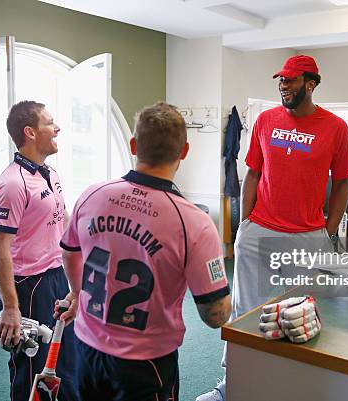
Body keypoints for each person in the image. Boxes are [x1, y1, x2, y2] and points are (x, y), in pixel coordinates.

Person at [197, 55, 348, 401]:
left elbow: (342, 183)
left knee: (303, 314)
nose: (283, 85)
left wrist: (327, 231)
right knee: (245, 313)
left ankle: (293, 386)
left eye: (291, 80)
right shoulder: (266, 121)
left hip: (308, 237)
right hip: (259, 234)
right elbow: (253, 173)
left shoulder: (336, 127)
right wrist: (245, 225)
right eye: (281, 80)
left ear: (310, 84)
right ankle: (232, 384)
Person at [57, 101, 232, 401]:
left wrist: (77, 294)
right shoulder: (195, 223)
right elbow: (215, 315)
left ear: (134, 145)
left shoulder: (91, 196)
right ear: (184, 152)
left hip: (86, 347)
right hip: (146, 362)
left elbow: (69, 254)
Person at [0, 101, 79, 401]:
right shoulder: (12, 183)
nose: (57, 128)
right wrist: (11, 307)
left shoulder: (50, 173)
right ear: (30, 132)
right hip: (27, 287)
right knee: (32, 367)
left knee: (64, 358)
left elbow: (63, 220)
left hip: (56, 277)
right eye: (49, 123)